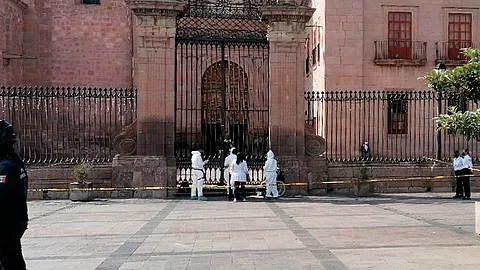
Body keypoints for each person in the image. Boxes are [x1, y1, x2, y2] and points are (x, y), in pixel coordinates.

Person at [0, 120, 29, 270]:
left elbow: (2, 199)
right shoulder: (14, 162)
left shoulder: (6, 167)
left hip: (6, 225)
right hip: (15, 221)